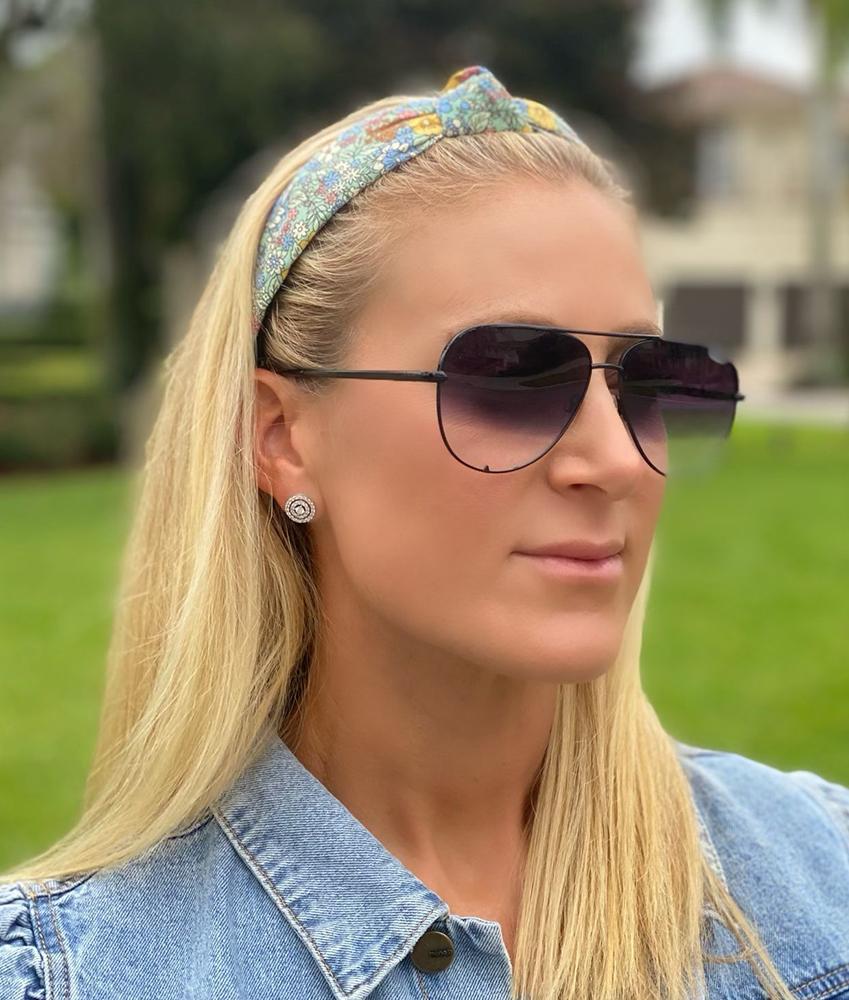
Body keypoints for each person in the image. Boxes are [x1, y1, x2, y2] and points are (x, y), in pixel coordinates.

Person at [1, 64, 847, 1000]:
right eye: (513, 378)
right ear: (280, 438)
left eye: (642, 381)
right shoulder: (69, 975)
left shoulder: (821, 882)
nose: (614, 459)